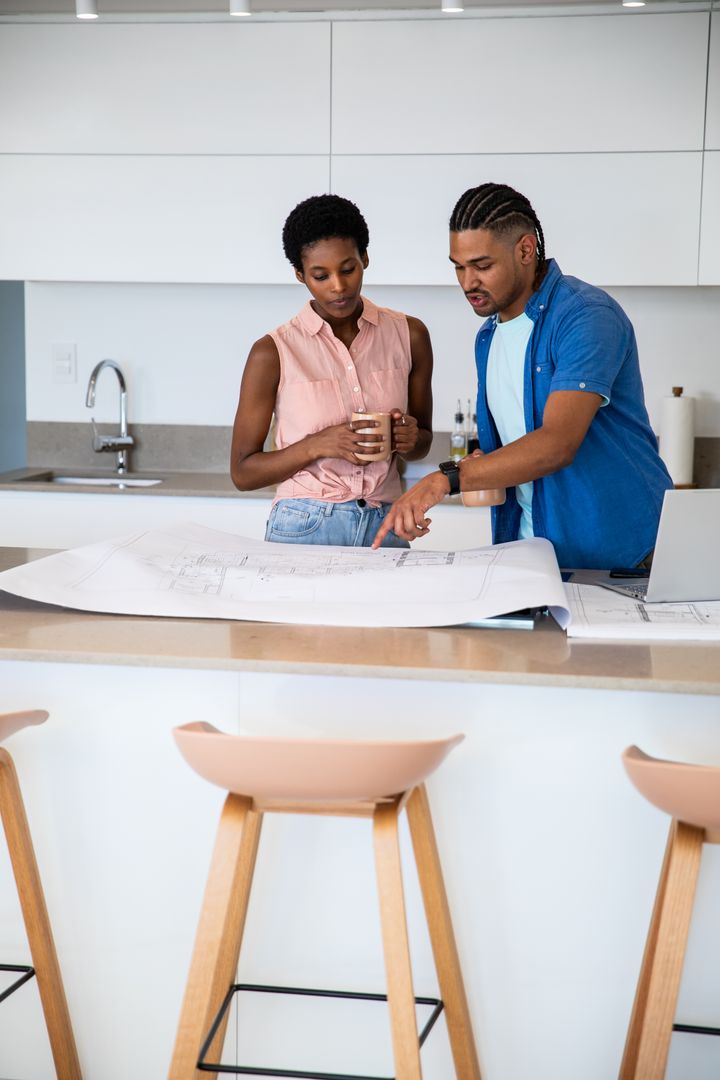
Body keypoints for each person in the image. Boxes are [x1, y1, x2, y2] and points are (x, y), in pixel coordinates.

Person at [373, 182, 673, 568]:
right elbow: (521, 441)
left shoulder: (586, 316)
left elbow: (556, 443)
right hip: (535, 551)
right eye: (459, 267)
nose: (468, 283)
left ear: (526, 250)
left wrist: (448, 477)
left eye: (482, 266)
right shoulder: (489, 334)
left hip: (623, 556)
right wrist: (487, 461)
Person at [230, 194, 433, 547]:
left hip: (386, 524)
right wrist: (317, 445)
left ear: (365, 258)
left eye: (348, 269)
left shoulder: (410, 335)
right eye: (320, 276)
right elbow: (243, 473)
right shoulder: (273, 352)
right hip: (304, 525)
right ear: (300, 275)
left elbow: (422, 444)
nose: (338, 286)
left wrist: (411, 439)